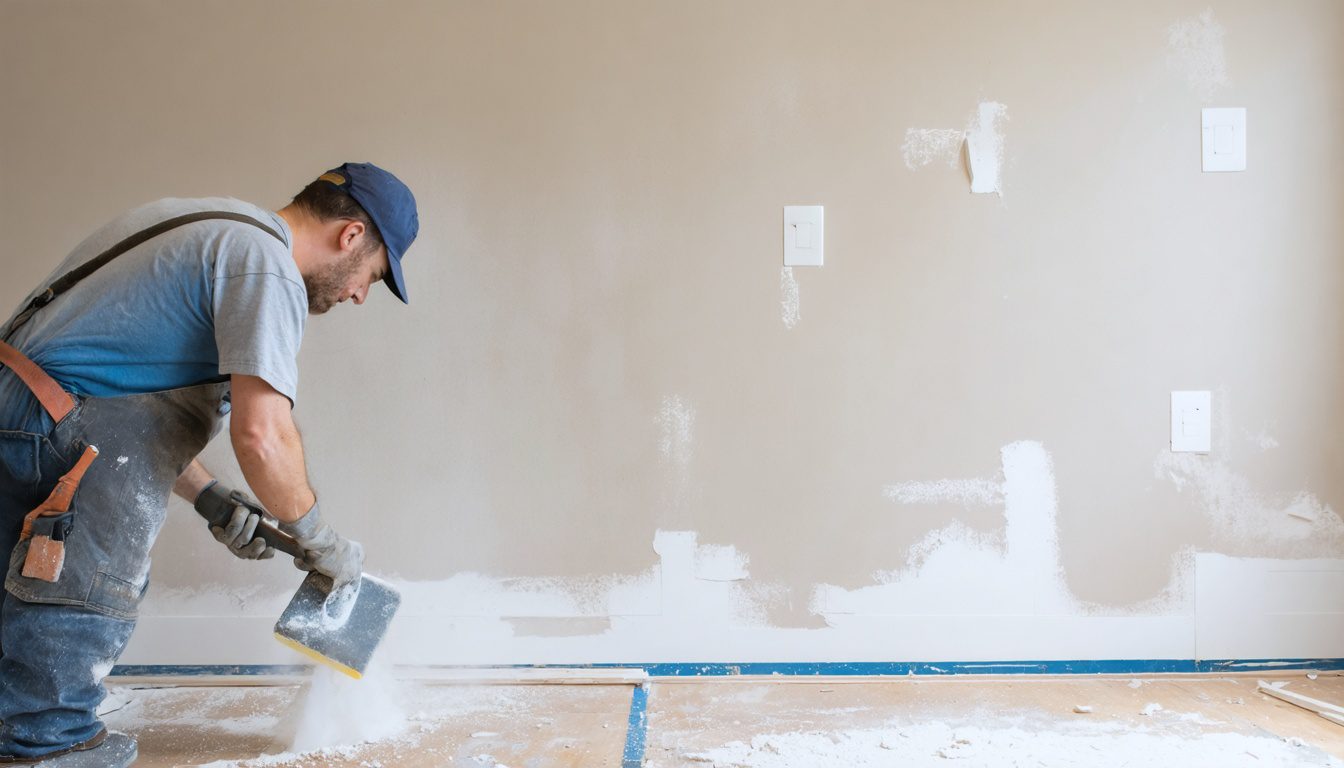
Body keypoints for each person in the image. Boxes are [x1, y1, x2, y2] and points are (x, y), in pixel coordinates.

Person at [0, 163, 418, 765]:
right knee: (81, 589)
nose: (357, 295)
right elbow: (263, 434)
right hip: (60, 430)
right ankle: (50, 749)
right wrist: (320, 541)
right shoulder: (266, 267)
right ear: (352, 236)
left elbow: (113, 398)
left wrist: (210, 496)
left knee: (18, 593)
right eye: (372, 278)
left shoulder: (210, 224)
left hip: (26, 418)